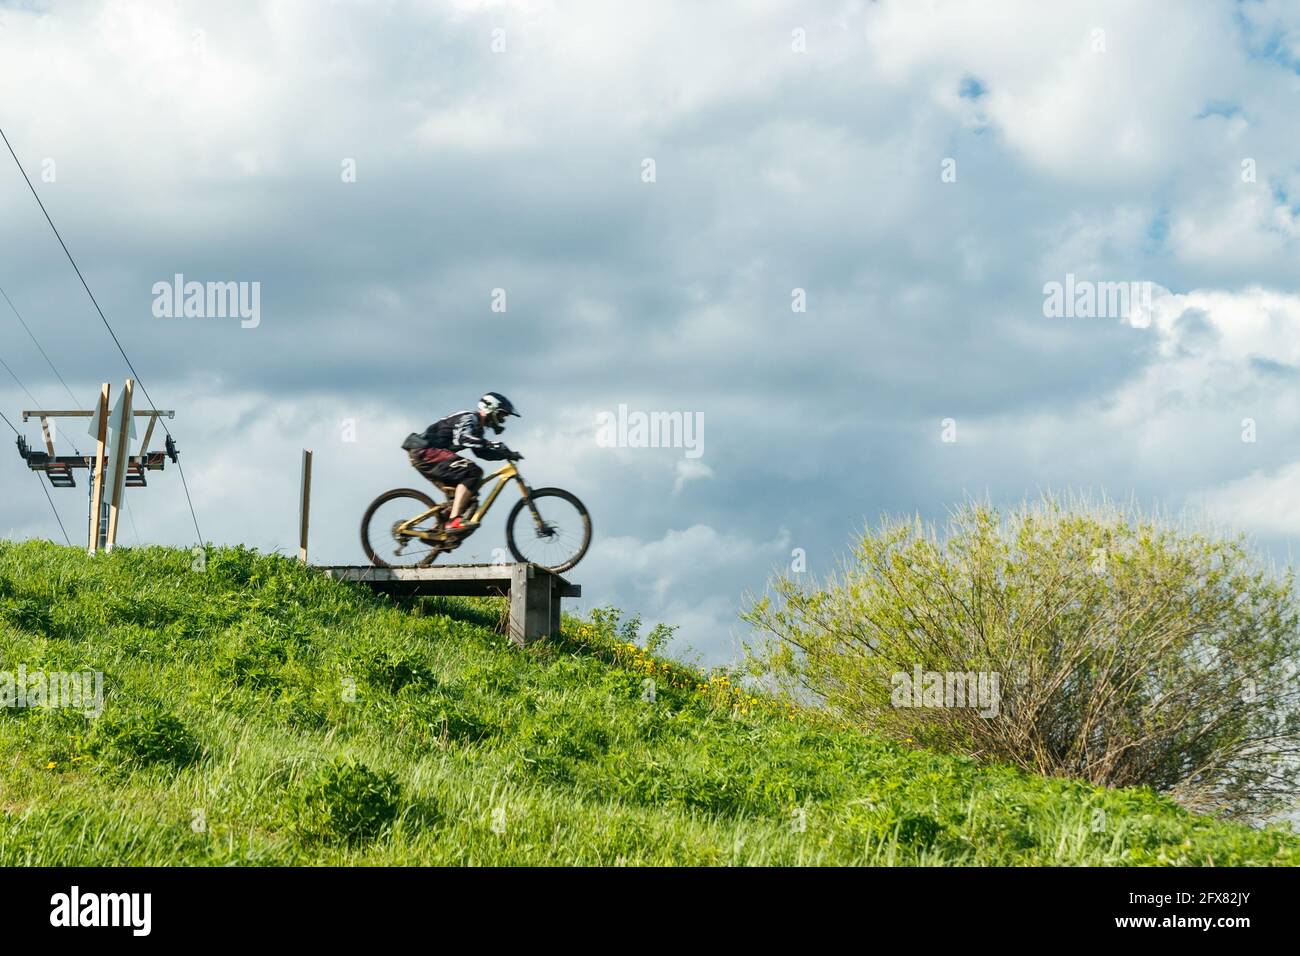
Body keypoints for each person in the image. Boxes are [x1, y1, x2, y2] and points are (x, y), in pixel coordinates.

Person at [403, 392, 521, 533]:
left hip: (427, 454)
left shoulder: (477, 428)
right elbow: (464, 438)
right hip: (424, 451)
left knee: (467, 498)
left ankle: (436, 532)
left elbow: (481, 452)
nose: (501, 421)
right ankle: (453, 521)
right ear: (492, 409)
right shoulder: (470, 418)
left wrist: (505, 454)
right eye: (501, 416)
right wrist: (492, 444)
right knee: (472, 472)